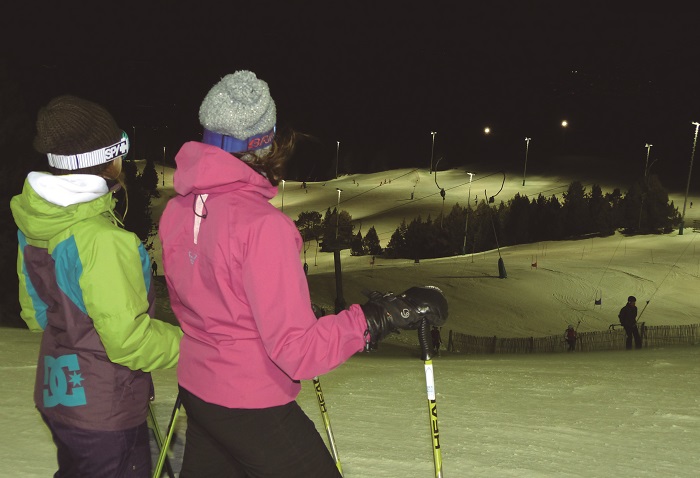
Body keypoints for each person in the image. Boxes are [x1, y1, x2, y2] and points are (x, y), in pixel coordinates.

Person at [158, 70, 448, 477]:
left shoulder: (177, 210)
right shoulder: (263, 227)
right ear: (265, 144)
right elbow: (298, 353)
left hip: (200, 392)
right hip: (251, 404)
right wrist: (380, 316)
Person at [10, 95, 183, 477]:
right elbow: (129, 342)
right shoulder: (104, 241)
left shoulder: (37, 221)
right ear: (111, 158)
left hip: (59, 392)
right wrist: (192, 345)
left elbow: (36, 313)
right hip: (104, 409)